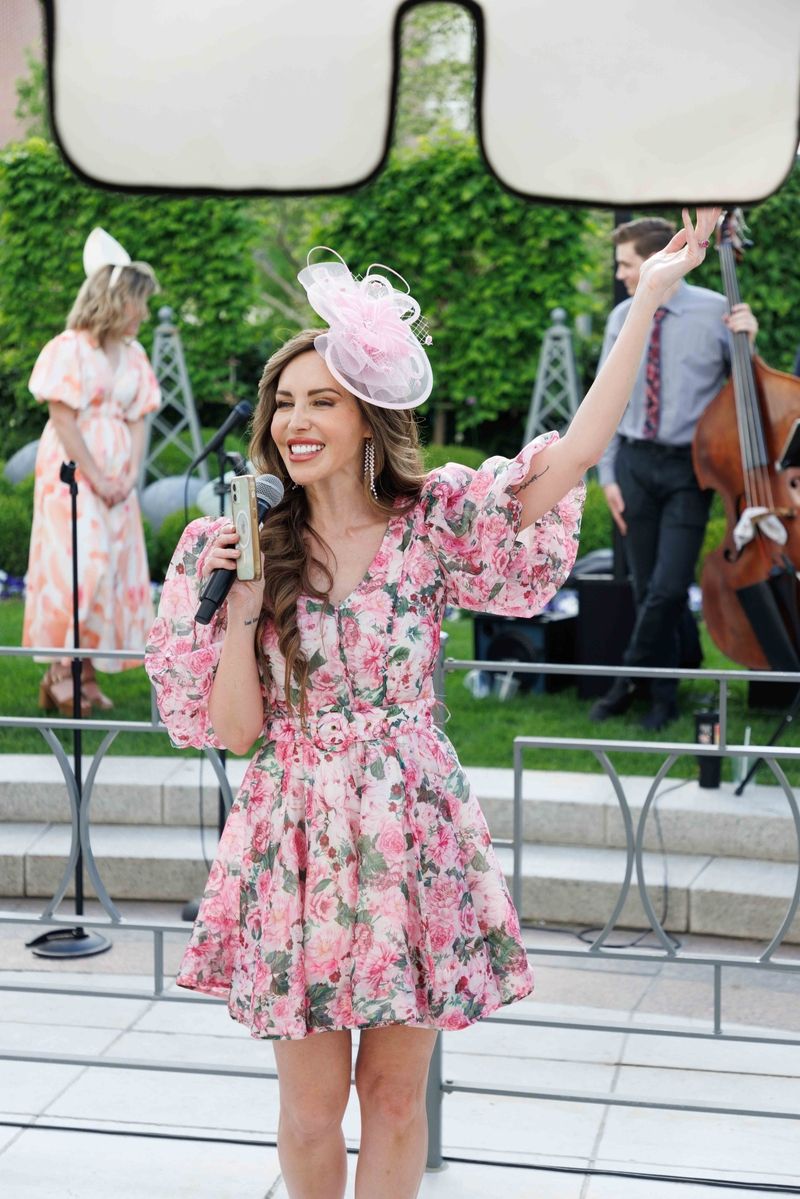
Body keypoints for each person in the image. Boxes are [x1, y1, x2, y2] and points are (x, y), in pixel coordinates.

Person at [145, 216, 717, 1199]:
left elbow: (578, 451)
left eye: (320, 398)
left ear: (366, 414)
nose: (296, 418)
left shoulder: (434, 521)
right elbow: (238, 731)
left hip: (412, 830)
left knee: (398, 1101)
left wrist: (648, 299)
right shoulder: (233, 546)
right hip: (297, 833)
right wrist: (239, 611)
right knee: (310, 1110)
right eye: (283, 401)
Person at [590, 216, 758, 731]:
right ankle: (662, 698)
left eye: (626, 264)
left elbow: (746, 394)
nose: (620, 274)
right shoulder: (622, 316)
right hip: (636, 464)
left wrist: (748, 343)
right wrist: (609, 475)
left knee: (667, 587)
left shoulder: (716, 312)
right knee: (646, 587)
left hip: (690, 469)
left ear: (656, 258)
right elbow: (605, 398)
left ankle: (624, 683)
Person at [23, 228, 161, 714]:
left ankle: (83, 673)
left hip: (118, 482)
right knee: (80, 566)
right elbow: (62, 417)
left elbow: (140, 417)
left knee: (112, 570)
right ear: (115, 300)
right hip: (72, 473)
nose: (143, 314)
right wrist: (97, 476)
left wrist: (129, 477)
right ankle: (60, 670)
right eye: (137, 303)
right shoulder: (69, 348)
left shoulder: (136, 355)